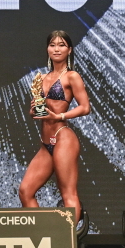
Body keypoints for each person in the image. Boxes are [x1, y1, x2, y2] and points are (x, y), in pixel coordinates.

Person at [17, 31, 90, 222]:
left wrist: (59, 115)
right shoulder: (42, 77)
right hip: (46, 143)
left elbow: (85, 107)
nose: (57, 49)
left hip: (62, 137)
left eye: (62, 45)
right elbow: (36, 111)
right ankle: (42, 234)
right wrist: (34, 110)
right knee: (25, 191)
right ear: (47, 49)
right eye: (53, 45)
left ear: (69, 50)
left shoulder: (72, 76)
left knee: (68, 193)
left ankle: (68, 238)